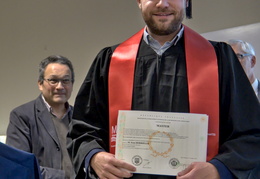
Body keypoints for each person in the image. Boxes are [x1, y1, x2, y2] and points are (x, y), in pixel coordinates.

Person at [68, 0, 260, 179]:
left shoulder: (219, 60)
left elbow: (250, 134)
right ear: (139, 1)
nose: (162, 3)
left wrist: (218, 168)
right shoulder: (110, 60)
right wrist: (94, 157)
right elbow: (83, 129)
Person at [6, 55, 75, 179]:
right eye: (53, 80)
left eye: (66, 80)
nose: (60, 86)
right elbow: (19, 165)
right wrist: (66, 177)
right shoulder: (22, 116)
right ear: (40, 84)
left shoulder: (80, 118)